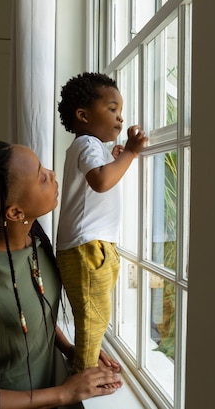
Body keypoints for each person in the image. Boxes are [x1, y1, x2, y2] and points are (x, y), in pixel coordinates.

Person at [0, 141, 123, 409]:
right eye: (41, 176)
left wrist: (71, 350)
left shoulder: (35, 242)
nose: (53, 174)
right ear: (15, 212)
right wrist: (64, 394)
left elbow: (34, 313)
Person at [56, 72, 148, 374]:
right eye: (112, 109)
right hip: (88, 245)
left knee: (93, 315)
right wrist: (131, 152)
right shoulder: (86, 143)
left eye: (120, 111)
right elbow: (101, 181)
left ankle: (89, 360)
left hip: (90, 244)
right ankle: (84, 377)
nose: (120, 118)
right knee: (94, 315)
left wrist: (115, 156)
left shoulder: (90, 146)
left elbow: (101, 173)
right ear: (83, 115)